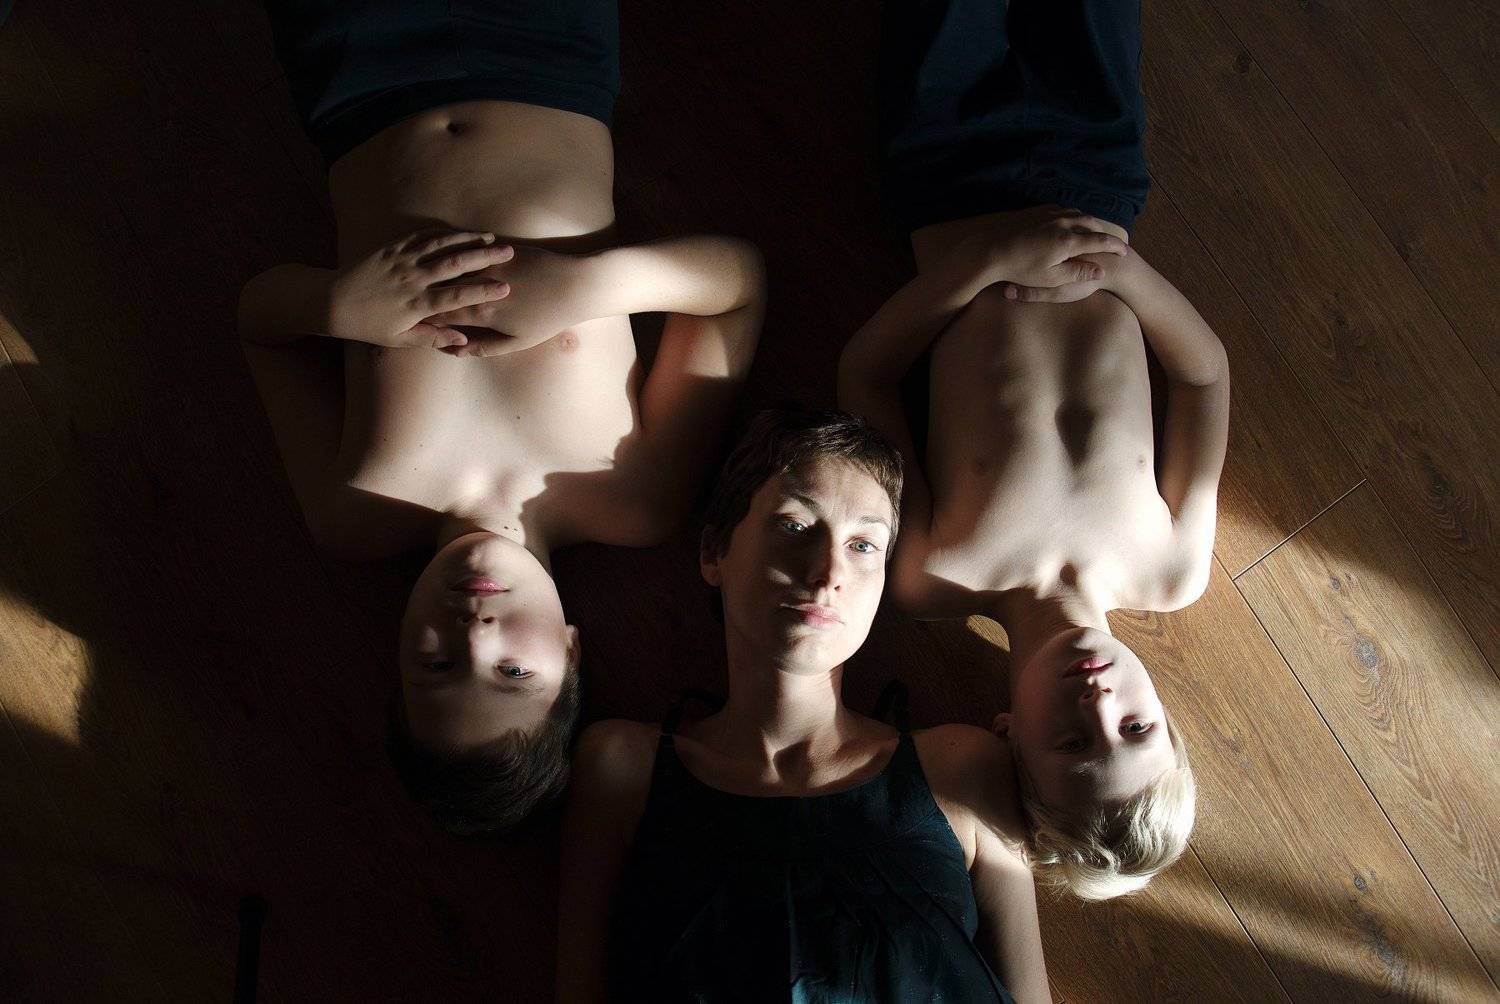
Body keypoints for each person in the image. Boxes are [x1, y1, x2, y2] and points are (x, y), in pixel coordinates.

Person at [237, 0, 766, 835]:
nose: (474, 632)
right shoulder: (634, 499)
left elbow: (260, 324)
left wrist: (339, 305)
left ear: (398, 651)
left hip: (358, 80)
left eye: (436, 665)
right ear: (572, 652)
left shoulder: (353, 516)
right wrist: (586, 286)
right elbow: (736, 286)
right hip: (546, 59)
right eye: (514, 673)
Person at [838, 0, 1226, 898]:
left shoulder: (933, 575)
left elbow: (867, 373)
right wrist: (1127, 274)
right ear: (1168, 720)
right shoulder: (1171, 568)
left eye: (1072, 741)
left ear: (1008, 733)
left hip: (946, 181)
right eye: (1136, 730)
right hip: (1095, 182)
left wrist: (984, 262)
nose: (1099, 703)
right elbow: (1204, 377)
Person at [558, 410, 1051, 1003]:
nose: (828, 572)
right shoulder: (622, 769)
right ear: (714, 551)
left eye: (863, 545)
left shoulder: (963, 769)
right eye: (795, 526)